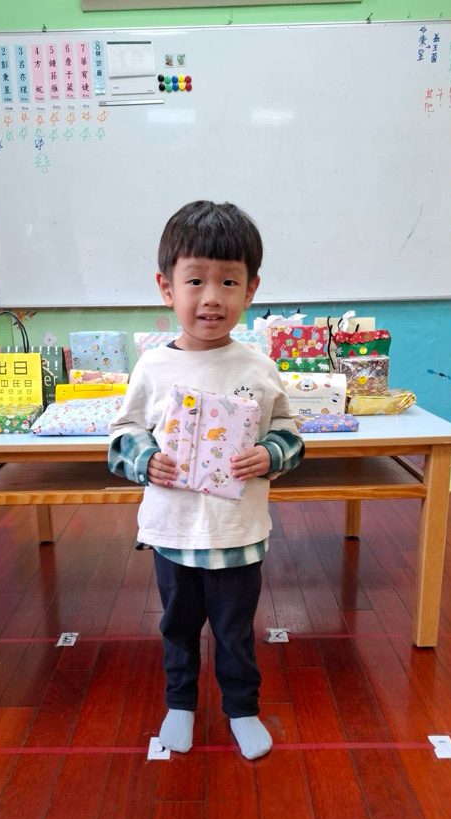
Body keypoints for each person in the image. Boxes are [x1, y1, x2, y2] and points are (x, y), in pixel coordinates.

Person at [109, 200, 304, 759]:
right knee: (177, 626)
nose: (212, 296)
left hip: (237, 533)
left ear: (251, 290)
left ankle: (242, 708)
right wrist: (145, 459)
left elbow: (291, 432)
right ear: (166, 288)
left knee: (235, 631)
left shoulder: (258, 367)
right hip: (172, 531)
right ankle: (180, 705)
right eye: (195, 280)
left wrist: (270, 453)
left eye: (229, 281)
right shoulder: (153, 367)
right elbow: (122, 433)